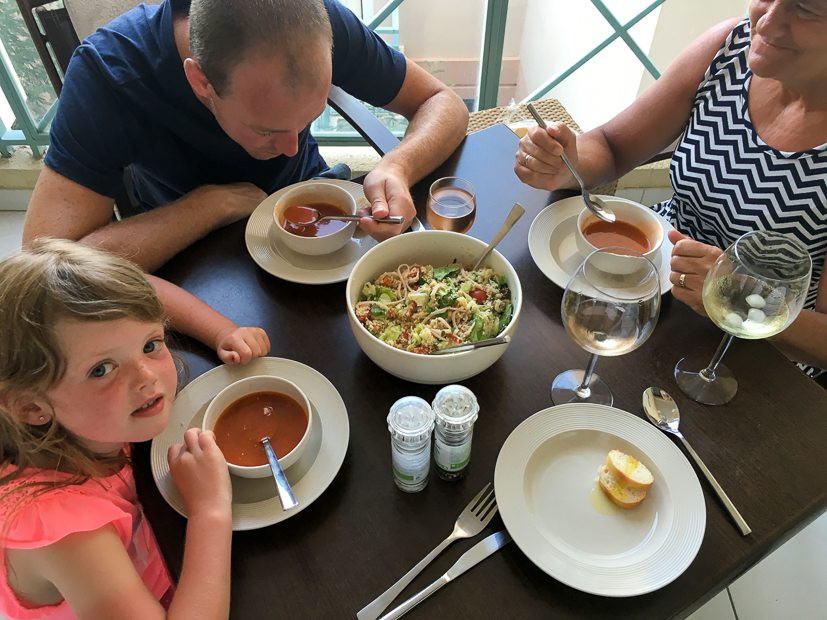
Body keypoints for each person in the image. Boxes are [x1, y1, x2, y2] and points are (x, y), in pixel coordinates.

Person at [22, 0, 468, 279]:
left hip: (312, 212)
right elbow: (47, 268)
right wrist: (206, 207)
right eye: (267, 130)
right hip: (189, 250)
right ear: (200, 82)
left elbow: (443, 102)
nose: (292, 147)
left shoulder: (315, 21)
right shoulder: (109, 75)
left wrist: (397, 165)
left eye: (308, 121)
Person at [515, 0, 827, 375]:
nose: (767, 21)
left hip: (755, 356)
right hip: (650, 289)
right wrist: (567, 165)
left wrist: (735, 296)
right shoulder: (728, 48)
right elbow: (613, 146)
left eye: (805, 8)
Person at [0, 239, 240, 619]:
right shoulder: (68, 536)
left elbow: (151, 294)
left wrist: (221, 331)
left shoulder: (91, 423)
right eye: (101, 369)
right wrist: (209, 511)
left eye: (150, 344)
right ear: (32, 407)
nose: (147, 378)